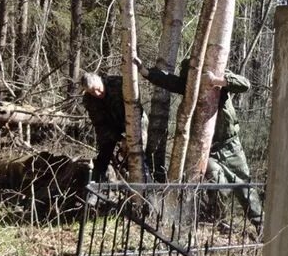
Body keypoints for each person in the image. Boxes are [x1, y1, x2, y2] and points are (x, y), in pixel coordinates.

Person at [134, 57, 262, 227]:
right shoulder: (188, 80)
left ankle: (260, 224)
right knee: (217, 182)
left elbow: (244, 84)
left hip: (230, 144)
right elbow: (169, 80)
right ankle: (218, 220)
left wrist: (216, 80)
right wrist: (145, 71)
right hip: (207, 147)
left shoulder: (218, 73)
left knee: (244, 186)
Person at [80, 72, 126, 182]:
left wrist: (129, 137)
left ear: (101, 80)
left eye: (98, 88)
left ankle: (146, 186)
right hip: (110, 126)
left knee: (138, 153)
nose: (97, 93)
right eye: (92, 92)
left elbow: (135, 106)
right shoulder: (88, 100)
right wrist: (120, 138)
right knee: (104, 152)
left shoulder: (118, 82)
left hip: (132, 120)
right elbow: (100, 125)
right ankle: (97, 182)